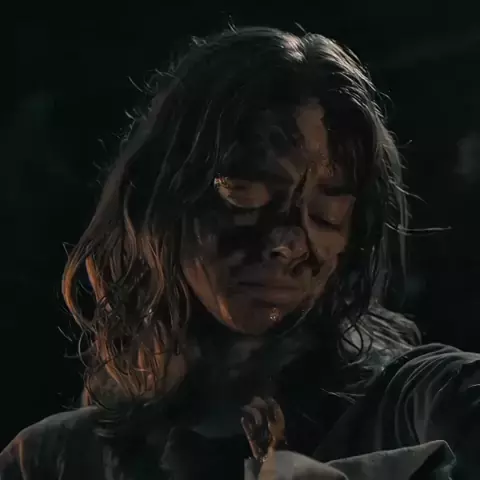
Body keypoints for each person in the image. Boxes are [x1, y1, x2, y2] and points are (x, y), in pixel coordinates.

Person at [1, 25, 478, 479]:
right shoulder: (54, 460)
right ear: (160, 199)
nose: (287, 241)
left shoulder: (427, 402)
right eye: (244, 193)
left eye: (327, 210)